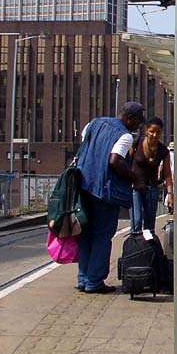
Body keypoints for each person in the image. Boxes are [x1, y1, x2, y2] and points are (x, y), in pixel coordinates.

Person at [76, 101, 145, 294]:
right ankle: (94, 281)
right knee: (102, 236)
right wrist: (135, 178)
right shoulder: (124, 136)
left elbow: (85, 143)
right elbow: (115, 160)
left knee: (85, 234)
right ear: (129, 119)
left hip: (83, 187)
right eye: (137, 122)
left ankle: (83, 278)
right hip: (104, 191)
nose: (138, 127)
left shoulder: (94, 123)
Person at [130, 117, 172, 233]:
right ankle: (135, 247)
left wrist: (170, 194)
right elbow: (127, 161)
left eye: (158, 132)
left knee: (149, 224)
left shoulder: (164, 150)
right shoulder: (137, 142)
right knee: (136, 221)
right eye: (152, 131)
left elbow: (168, 174)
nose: (154, 135)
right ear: (147, 130)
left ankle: (148, 248)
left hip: (151, 187)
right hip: (135, 188)